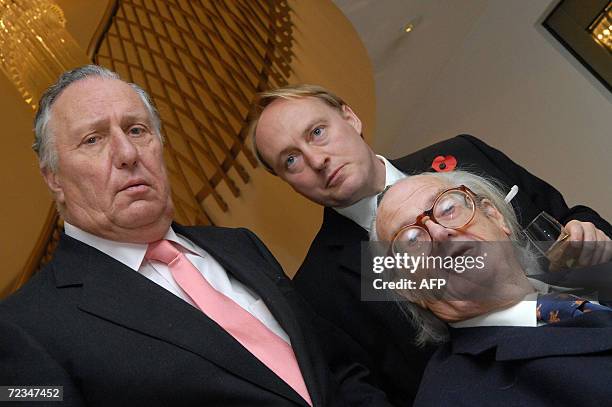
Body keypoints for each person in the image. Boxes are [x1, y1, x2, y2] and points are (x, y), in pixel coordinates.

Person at [0, 66, 393, 407]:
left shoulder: (240, 245)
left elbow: (334, 367)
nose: (127, 153)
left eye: (137, 130)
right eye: (93, 139)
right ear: (53, 178)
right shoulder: (24, 327)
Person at [249, 84, 612, 405]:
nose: (316, 160)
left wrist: (590, 239)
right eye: (291, 160)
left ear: (350, 117)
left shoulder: (465, 153)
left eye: (317, 132)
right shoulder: (318, 293)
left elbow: (566, 215)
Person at [373, 171, 612, 406]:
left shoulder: (590, 275)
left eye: (447, 209)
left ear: (494, 215)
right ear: (411, 290)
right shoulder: (450, 397)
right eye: (412, 240)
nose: (439, 233)